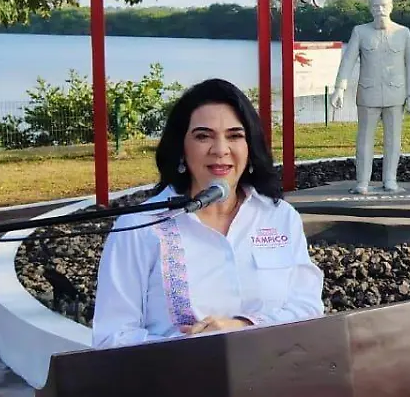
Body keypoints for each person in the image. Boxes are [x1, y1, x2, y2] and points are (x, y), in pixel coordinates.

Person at [92, 79, 325, 348]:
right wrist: (195, 347)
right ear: (181, 149)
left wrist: (244, 326)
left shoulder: (280, 216)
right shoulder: (138, 226)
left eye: (235, 135)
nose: (220, 150)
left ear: (250, 148)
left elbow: (308, 308)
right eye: (203, 136)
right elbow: (111, 338)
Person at [331, 0, 410, 193]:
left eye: (383, 5)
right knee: (364, 140)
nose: (380, 9)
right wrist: (339, 88)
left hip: (395, 95)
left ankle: (390, 180)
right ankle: (362, 182)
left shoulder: (403, 32)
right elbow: (348, 61)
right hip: (368, 94)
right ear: (370, 9)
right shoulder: (360, 32)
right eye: (375, 6)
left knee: (393, 140)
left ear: (391, 7)